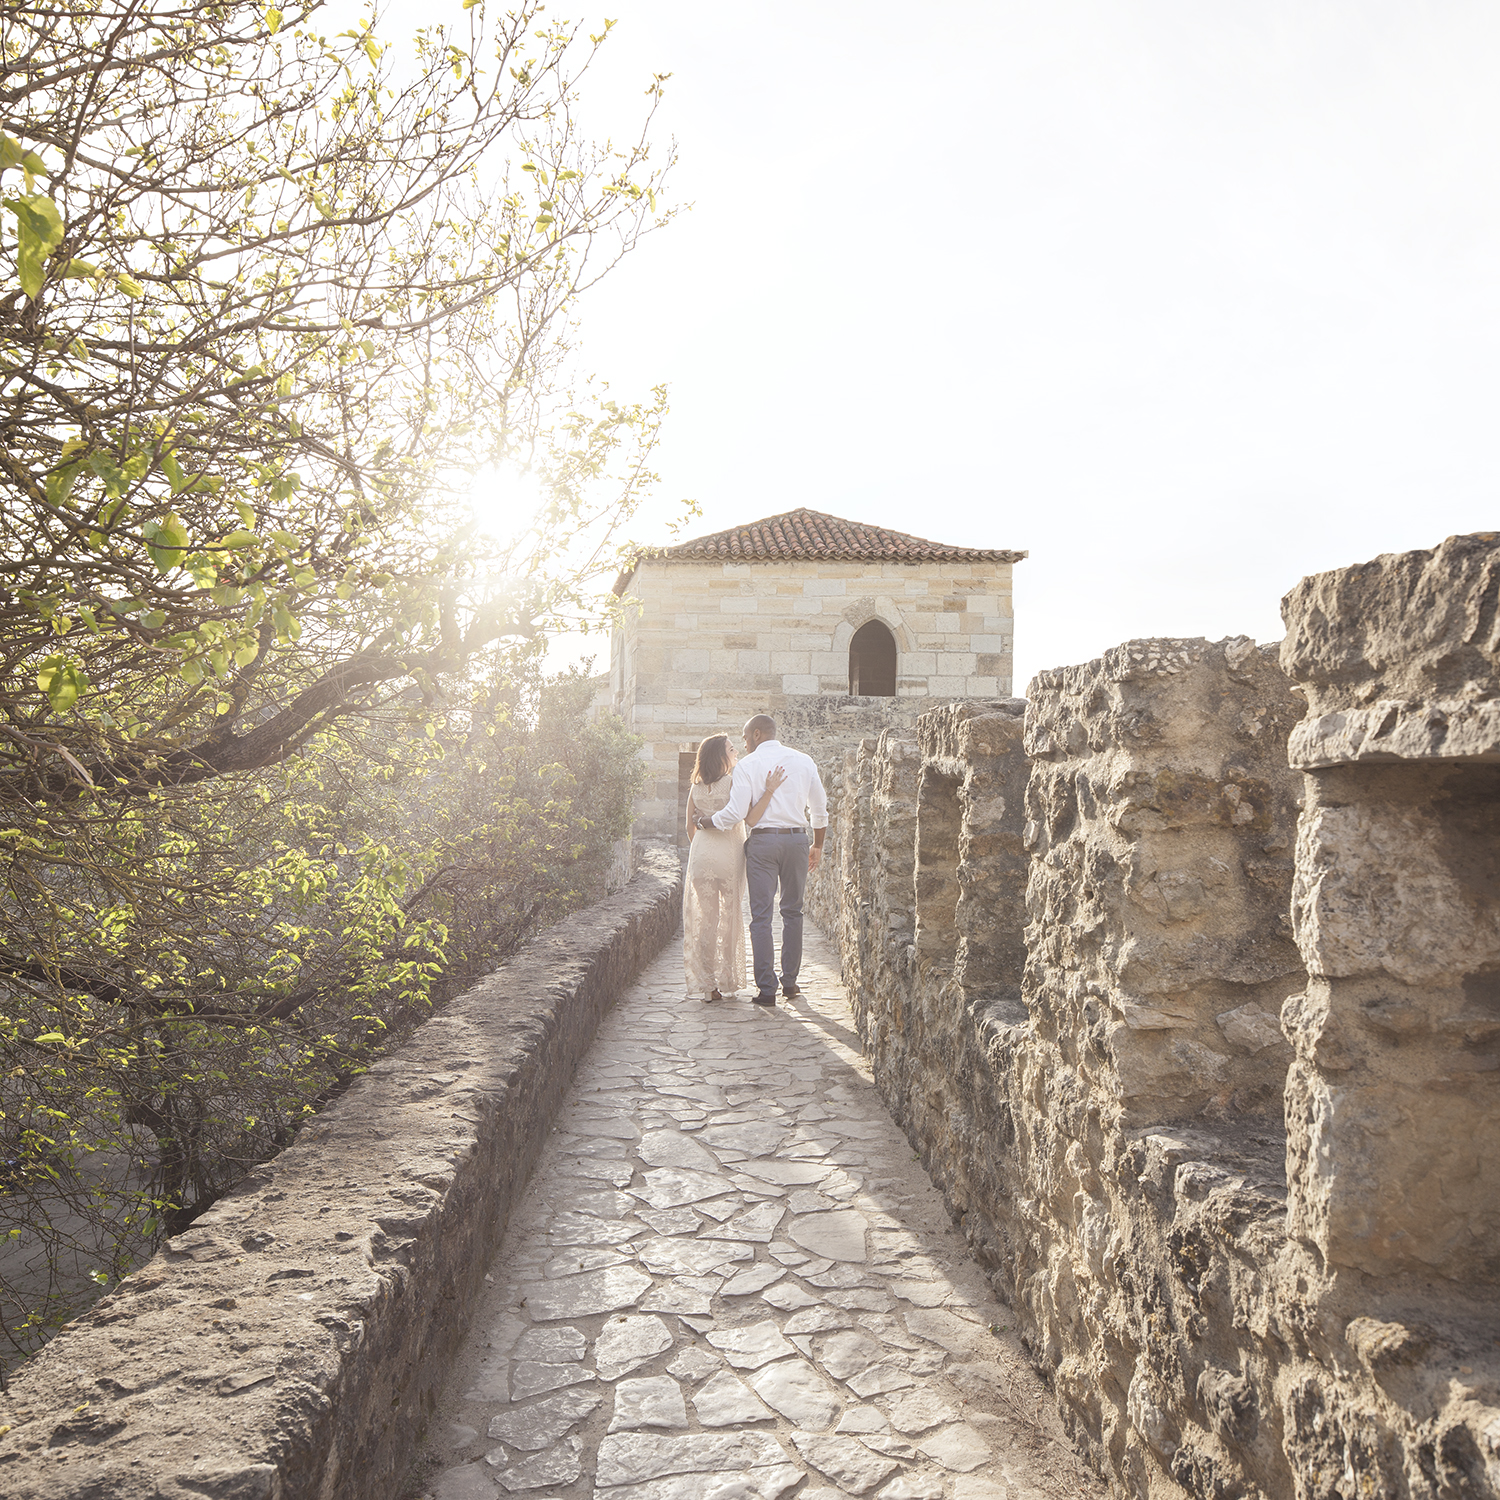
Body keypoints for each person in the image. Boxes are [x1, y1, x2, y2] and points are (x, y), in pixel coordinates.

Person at [694, 714, 828, 1007]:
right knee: (793, 912)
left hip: (764, 842)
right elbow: (820, 808)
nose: (742, 744)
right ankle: (790, 983)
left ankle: (767, 989)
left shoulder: (748, 766)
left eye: (744, 737)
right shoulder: (804, 761)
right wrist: (817, 844)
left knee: (761, 917)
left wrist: (705, 821)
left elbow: (735, 813)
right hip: (796, 840)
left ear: (756, 734)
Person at [683, 733, 786, 1002]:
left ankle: (708, 986)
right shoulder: (732, 782)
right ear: (721, 756)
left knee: (706, 920)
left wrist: (703, 847)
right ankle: (726, 979)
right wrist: (770, 791)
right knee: (729, 918)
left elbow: (689, 827)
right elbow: (750, 817)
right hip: (729, 855)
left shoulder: (695, 787)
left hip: (701, 855)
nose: (736, 752)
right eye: (731, 749)